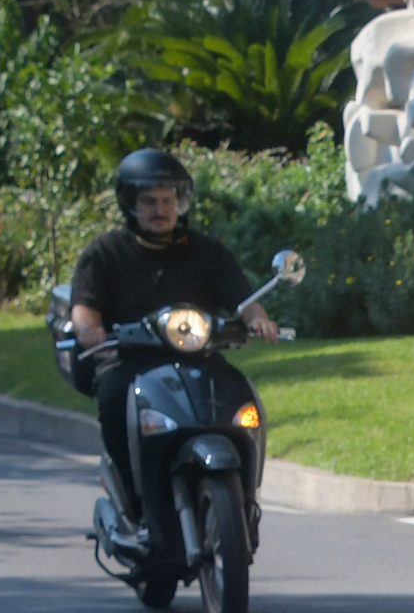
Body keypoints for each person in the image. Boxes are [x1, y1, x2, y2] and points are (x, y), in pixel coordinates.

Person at [68, 149, 277, 559]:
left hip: (198, 358)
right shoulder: (106, 252)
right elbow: (85, 307)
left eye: (168, 200)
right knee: (113, 399)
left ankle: (245, 502)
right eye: (149, 201)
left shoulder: (205, 251)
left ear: (181, 201)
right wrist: (90, 331)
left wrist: (259, 319)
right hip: (129, 360)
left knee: (242, 400)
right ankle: (135, 504)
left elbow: (243, 298)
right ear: (130, 203)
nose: (160, 210)